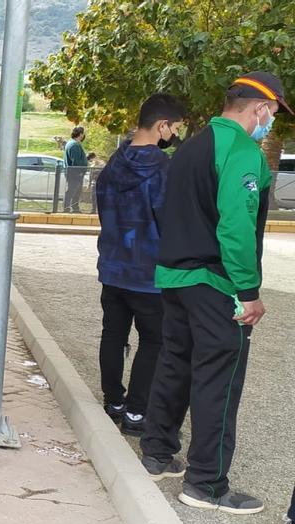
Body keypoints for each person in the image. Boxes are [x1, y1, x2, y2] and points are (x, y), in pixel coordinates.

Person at [139, 71, 288, 515]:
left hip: (176, 276)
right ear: (260, 107)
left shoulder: (193, 144)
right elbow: (236, 227)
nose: (272, 123)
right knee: (219, 381)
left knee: (175, 364)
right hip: (216, 282)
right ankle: (206, 483)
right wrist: (249, 291)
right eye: (275, 113)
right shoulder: (242, 150)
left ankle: (157, 451)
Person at [94, 93, 187, 437]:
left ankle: (113, 401)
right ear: (162, 125)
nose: (175, 134)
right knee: (153, 342)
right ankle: (136, 412)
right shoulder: (163, 170)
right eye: (175, 127)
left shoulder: (112, 165)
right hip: (149, 274)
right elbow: (170, 222)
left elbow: (105, 213)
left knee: (113, 334)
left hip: (113, 267)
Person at [63, 126, 89, 213]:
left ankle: (74, 208)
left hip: (73, 172)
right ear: (81, 134)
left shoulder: (71, 143)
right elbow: (76, 161)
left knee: (76, 191)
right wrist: (79, 172)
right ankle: (68, 208)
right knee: (72, 191)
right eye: (83, 133)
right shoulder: (74, 145)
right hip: (75, 173)